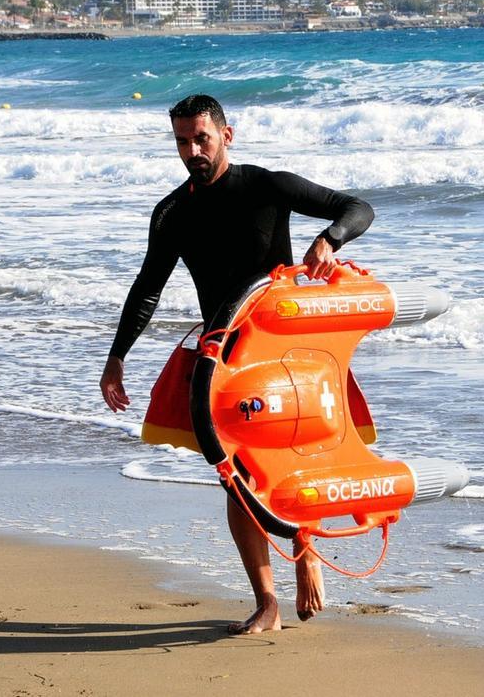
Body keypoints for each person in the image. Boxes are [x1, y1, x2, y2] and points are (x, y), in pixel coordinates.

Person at [99, 94, 374, 634]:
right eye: (182, 141)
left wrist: (328, 239)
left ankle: (306, 549)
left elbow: (357, 208)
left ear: (228, 134)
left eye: (201, 138)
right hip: (225, 360)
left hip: (287, 352)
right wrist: (116, 359)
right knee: (235, 477)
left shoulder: (267, 186)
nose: (192, 150)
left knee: (299, 463)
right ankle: (266, 601)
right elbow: (147, 288)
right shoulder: (174, 212)